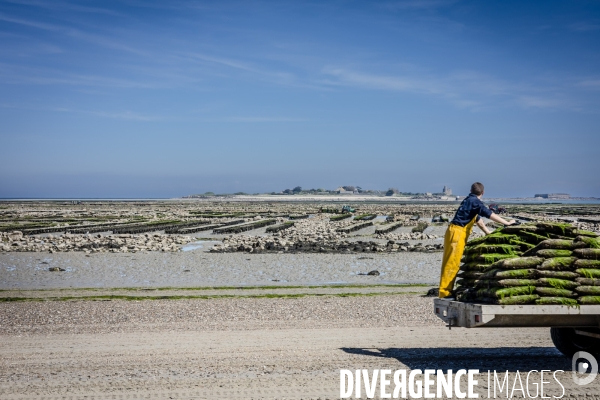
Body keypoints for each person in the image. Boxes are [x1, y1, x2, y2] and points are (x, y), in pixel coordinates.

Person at [438, 182, 515, 298]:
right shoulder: (475, 202)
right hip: (457, 233)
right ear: (483, 192)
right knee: (452, 263)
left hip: (453, 232)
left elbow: (478, 220)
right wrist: (507, 223)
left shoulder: (469, 200)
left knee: (452, 262)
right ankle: (445, 292)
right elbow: (489, 214)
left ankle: (447, 290)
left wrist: (487, 232)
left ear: (470, 190)